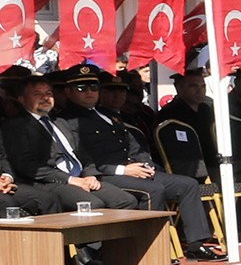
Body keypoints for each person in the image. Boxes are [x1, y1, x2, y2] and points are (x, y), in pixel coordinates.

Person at [48, 63, 221, 260]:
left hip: (132, 169)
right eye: (82, 88)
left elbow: (131, 145)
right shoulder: (66, 121)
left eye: (94, 87)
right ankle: (149, 249)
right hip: (105, 175)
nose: (89, 92)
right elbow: (81, 158)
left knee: (188, 184)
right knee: (153, 190)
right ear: (69, 92)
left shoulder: (108, 115)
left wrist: (143, 164)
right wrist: (123, 170)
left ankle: (196, 244)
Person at [3, 74, 146, 214]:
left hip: (81, 176)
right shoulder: (16, 126)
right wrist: (71, 180)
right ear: (22, 100)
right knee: (93, 205)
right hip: (50, 181)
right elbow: (27, 165)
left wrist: (90, 175)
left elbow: (84, 154)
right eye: (37, 94)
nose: (45, 98)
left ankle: (115, 238)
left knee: (126, 201)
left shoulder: (59, 121)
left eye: (48, 93)